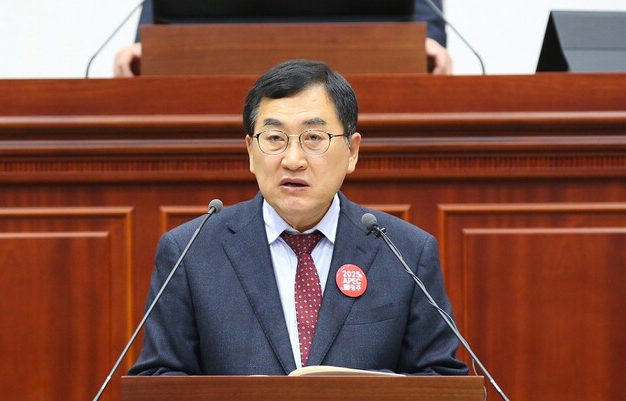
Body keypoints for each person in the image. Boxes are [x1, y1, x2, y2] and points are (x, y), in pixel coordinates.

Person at [128, 59, 467, 376]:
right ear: (250, 151)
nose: (293, 160)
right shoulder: (190, 252)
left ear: (352, 151)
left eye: (314, 138)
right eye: (275, 138)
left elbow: (440, 381)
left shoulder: (406, 252)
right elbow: (159, 382)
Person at [114, 0, 452, 77]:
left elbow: (424, 16)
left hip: (367, 59)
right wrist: (149, 38)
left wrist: (426, 36)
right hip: (220, 58)